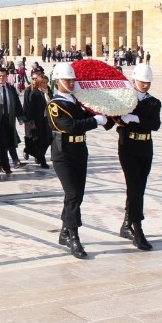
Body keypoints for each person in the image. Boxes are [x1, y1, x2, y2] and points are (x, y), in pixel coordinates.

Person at [47, 62, 108, 259]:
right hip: (63, 153)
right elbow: (70, 126)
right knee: (72, 194)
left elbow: (89, 113)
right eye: (67, 79)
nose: (71, 82)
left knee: (76, 195)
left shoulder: (75, 101)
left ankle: (65, 231)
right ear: (58, 81)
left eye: (73, 79)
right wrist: (94, 121)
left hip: (80, 151)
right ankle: (74, 237)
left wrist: (106, 113)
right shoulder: (55, 105)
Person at [117, 64, 161, 251]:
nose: (145, 85)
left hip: (145, 146)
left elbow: (155, 124)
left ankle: (127, 224)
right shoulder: (125, 100)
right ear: (134, 80)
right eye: (142, 82)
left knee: (139, 188)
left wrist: (136, 120)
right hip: (128, 147)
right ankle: (138, 229)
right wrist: (118, 118)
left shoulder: (153, 102)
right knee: (134, 187)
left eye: (148, 82)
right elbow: (113, 121)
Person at [0, 67, 26, 173]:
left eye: (3, 76)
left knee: (8, 142)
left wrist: (20, 117)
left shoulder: (11, 89)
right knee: (2, 143)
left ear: (7, 76)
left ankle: (2, 164)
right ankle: (4, 166)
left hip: (9, 119)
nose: (1, 78)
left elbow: (17, 103)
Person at [22, 73, 53, 168]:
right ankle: (42, 160)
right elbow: (31, 109)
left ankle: (37, 155)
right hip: (38, 121)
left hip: (47, 120)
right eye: (43, 83)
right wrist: (31, 122)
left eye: (46, 82)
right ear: (39, 83)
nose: (45, 84)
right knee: (40, 141)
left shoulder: (48, 92)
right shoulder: (34, 93)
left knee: (49, 140)